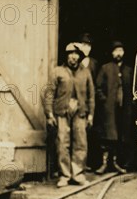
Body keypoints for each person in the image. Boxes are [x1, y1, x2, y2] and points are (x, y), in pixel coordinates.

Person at [44, 42, 95, 187]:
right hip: (62, 112)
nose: (73, 57)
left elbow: (91, 95)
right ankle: (65, 175)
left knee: (81, 143)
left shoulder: (85, 72)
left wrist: (91, 114)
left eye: (75, 54)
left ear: (79, 57)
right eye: (70, 54)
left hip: (80, 113)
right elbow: (49, 93)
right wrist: (49, 114)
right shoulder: (57, 71)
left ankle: (78, 174)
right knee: (62, 143)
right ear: (66, 56)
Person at [94, 40, 131, 174]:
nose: (118, 53)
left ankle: (116, 163)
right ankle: (104, 164)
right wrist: (104, 101)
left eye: (120, 51)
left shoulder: (128, 70)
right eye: (116, 51)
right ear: (112, 53)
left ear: (124, 52)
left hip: (124, 110)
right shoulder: (106, 68)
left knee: (120, 136)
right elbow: (98, 87)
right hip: (109, 110)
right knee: (107, 136)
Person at [78, 32, 101, 171]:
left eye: (88, 46)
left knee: (90, 132)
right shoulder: (74, 61)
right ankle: (77, 164)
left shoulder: (95, 63)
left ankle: (89, 163)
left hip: (90, 101)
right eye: (83, 45)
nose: (86, 48)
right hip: (78, 100)